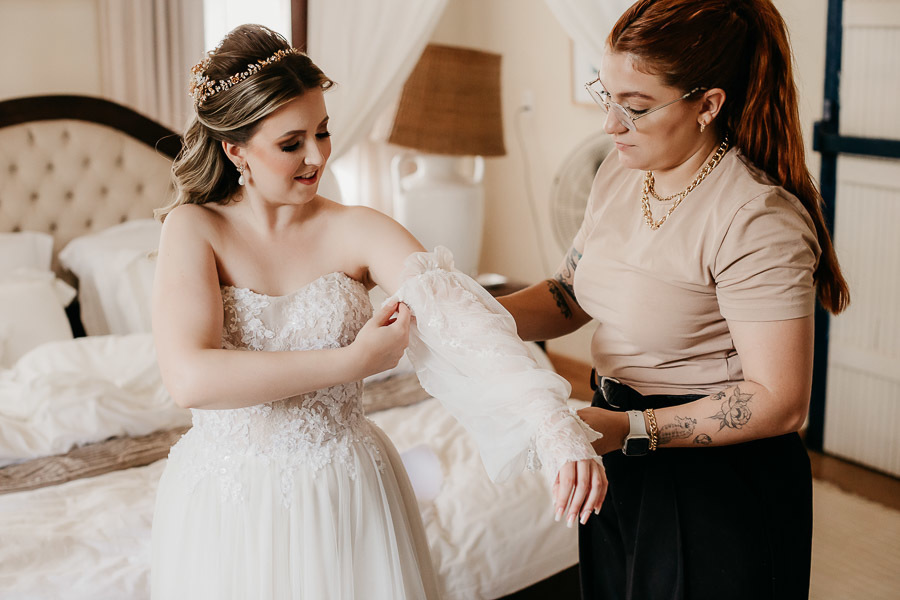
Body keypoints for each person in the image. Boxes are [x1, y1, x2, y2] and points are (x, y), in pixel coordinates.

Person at [150, 24, 606, 600]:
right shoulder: (194, 229)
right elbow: (190, 378)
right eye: (291, 143)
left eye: (322, 131)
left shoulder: (358, 228)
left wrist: (552, 422)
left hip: (347, 490)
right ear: (235, 149)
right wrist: (353, 361)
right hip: (227, 501)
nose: (317, 155)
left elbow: (456, 313)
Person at [496, 1, 850, 598]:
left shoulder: (755, 218)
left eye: (635, 107)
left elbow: (782, 401)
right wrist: (465, 314)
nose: (610, 125)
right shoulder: (620, 174)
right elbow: (569, 294)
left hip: (716, 477)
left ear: (708, 104)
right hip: (618, 443)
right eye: (606, 96)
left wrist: (629, 428)